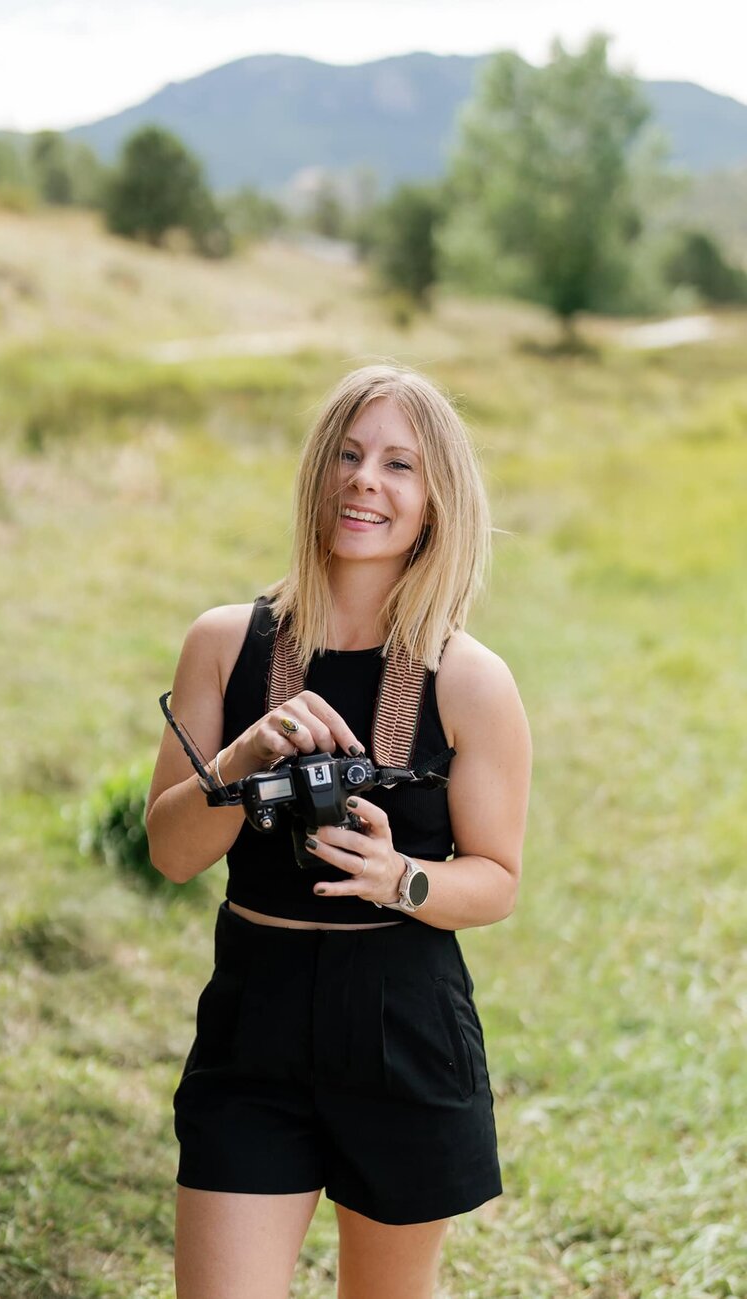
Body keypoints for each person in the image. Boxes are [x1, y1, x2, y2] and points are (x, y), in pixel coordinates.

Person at [146, 363, 532, 1299]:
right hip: (256, 1015)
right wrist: (242, 755)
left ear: (435, 502)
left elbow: (497, 879)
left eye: (401, 464)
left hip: (403, 1024)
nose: (367, 480)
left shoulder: (469, 679)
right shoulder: (223, 643)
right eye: (349, 456)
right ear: (318, 474)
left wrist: (399, 876)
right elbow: (170, 852)